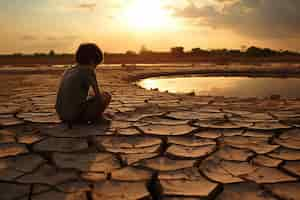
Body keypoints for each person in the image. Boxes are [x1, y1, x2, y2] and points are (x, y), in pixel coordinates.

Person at [55, 43, 111, 125]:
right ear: (92, 61)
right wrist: (99, 113)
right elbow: (98, 97)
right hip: (74, 116)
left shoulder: (69, 70)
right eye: (96, 65)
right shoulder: (88, 71)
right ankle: (98, 119)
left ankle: (83, 116)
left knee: (90, 97)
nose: (95, 67)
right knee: (106, 96)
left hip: (62, 115)